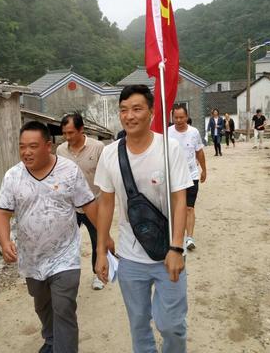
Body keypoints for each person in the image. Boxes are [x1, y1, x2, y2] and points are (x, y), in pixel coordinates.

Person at [0, 121, 113, 353]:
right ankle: (50, 340)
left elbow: (88, 205)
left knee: (64, 307)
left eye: (33, 146)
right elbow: (2, 212)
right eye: (22, 147)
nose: (26, 152)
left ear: (48, 145)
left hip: (65, 255)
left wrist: (105, 237)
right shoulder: (12, 176)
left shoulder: (68, 171)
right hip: (32, 258)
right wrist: (5, 240)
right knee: (42, 305)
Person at [94, 85, 192, 353]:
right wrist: (101, 251)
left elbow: (179, 200)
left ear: (151, 112)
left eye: (137, 109)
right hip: (129, 257)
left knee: (171, 325)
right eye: (123, 110)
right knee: (138, 323)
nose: (129, 116)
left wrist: (176, 247)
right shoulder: (110, 153)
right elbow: (105, 204)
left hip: (166, 255)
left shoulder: (169, 149)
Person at [57, 112, 105, 290]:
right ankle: (65, 276)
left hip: (94, 205)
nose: (67, 137)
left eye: (71, 133)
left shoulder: (98, 147)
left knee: (97, 240)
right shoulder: (61, 150)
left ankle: (98, 274)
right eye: (64, 133)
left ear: (81, 129)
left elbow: (106, 177)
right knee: (66, 243)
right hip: (71, 208)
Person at [168, 105, 207, 251]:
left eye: (181, 117)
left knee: (189, 208)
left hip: (191, 175)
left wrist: (204, 170)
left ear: (187, 117)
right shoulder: (167, 133)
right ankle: (176, 236)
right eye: (176, 117)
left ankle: (189, 238)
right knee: (176, 208)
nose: (178, 120)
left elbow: (199, 152)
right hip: (173, 176)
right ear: (172, 118)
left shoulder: (194, 132)